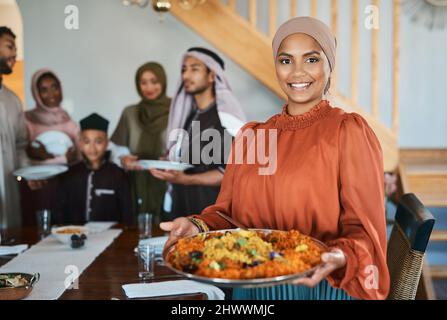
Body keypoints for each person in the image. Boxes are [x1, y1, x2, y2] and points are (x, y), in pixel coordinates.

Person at [160, 17, 389, 300]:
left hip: (319, 288)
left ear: (329, 65)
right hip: (253, 290)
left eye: (311, 59)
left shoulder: (348, 132)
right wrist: (197, 226)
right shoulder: (253, 137)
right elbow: (230, 217)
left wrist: (339, 255)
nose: (297, 72)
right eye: (285, 60)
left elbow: (365, 231)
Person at [149, 47, 246, 220]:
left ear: (212, 76)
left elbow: (230, 173)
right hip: (183, 212)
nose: (186, 76)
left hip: (212, 217)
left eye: (194, 69)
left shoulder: (225, 119)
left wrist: (186, 179)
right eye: (184, 70)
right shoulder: (190, 116)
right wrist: (168, 163)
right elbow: (190, 160)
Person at [111, 62, 170, 223]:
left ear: (163, 82)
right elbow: (118, 149)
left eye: (154, 81)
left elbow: (187, 146)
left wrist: (174, 160)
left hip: (169, 182)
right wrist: (123, 159)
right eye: (143, 82)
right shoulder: (130, 112)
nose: (149, 87)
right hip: (136, 182)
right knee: (138, 230)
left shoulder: (177, 109)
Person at [53, 113, 133, 226]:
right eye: (87, 142)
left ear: (107, 143)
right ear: (80, 143)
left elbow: (127, 215)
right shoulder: (68, 174)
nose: (92, 148)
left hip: (110, 237)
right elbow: (59, 214)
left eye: (98, 142)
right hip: (73, 237)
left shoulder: (118, 175)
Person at [0, 26, 28, 229]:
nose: (15, 53)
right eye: (10, 46)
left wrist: (27, 173)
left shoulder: (13, 100)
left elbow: (20, 145)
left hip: (8, 188)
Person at [25, 69, 80, 165]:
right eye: (44, 90)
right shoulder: (26, 121)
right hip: (38, 178)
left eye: (54, 88)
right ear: (36, 94)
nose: (51, 94)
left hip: (67, 177)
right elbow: (21, 159)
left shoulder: (67, 120)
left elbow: (81, 155)